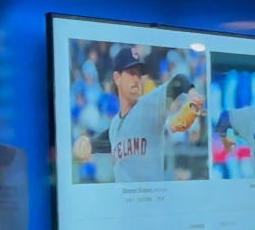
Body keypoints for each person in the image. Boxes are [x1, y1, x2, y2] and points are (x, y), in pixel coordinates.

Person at [73, 45, 205, 182]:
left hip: (152, 198)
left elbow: (179, 81)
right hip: (125, 200)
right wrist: (87, 144)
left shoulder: (150, 104)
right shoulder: (115, 124)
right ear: (117, 78)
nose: (136, 79)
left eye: (139, 74)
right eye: (131, 73)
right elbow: (106, 139)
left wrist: (192, 92)